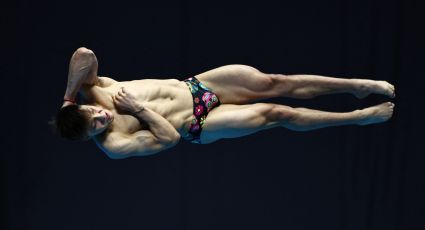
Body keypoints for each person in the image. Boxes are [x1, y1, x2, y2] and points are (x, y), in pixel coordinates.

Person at [54, 47, 395, 159]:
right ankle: (358, 116)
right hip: (200, 124)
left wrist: (69, 97)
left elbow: (85, 54)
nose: (101, 115)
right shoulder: (114, 144)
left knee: (276, 82)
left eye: (92, 112)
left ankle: (357, 86)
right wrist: (139, 110)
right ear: (89, 137)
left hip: (197, 85)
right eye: (97, 123)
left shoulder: (93, 91)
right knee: (277, 113)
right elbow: (169, 140)